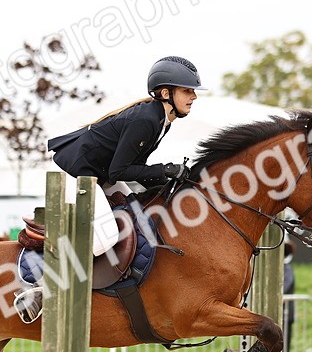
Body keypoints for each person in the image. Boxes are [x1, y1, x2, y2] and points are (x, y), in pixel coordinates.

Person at [14, 56, 203, 322]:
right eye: (187, 90)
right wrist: (164, 170)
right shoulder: (146, 119)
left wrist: (167, 179)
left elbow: (132, 167)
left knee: (141, 214)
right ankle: (42, 288)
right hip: (73, 174)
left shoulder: (161, 121)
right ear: (165, 92)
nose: (193, 96)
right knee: (105, 237)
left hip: (98, 174)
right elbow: (120, 171)